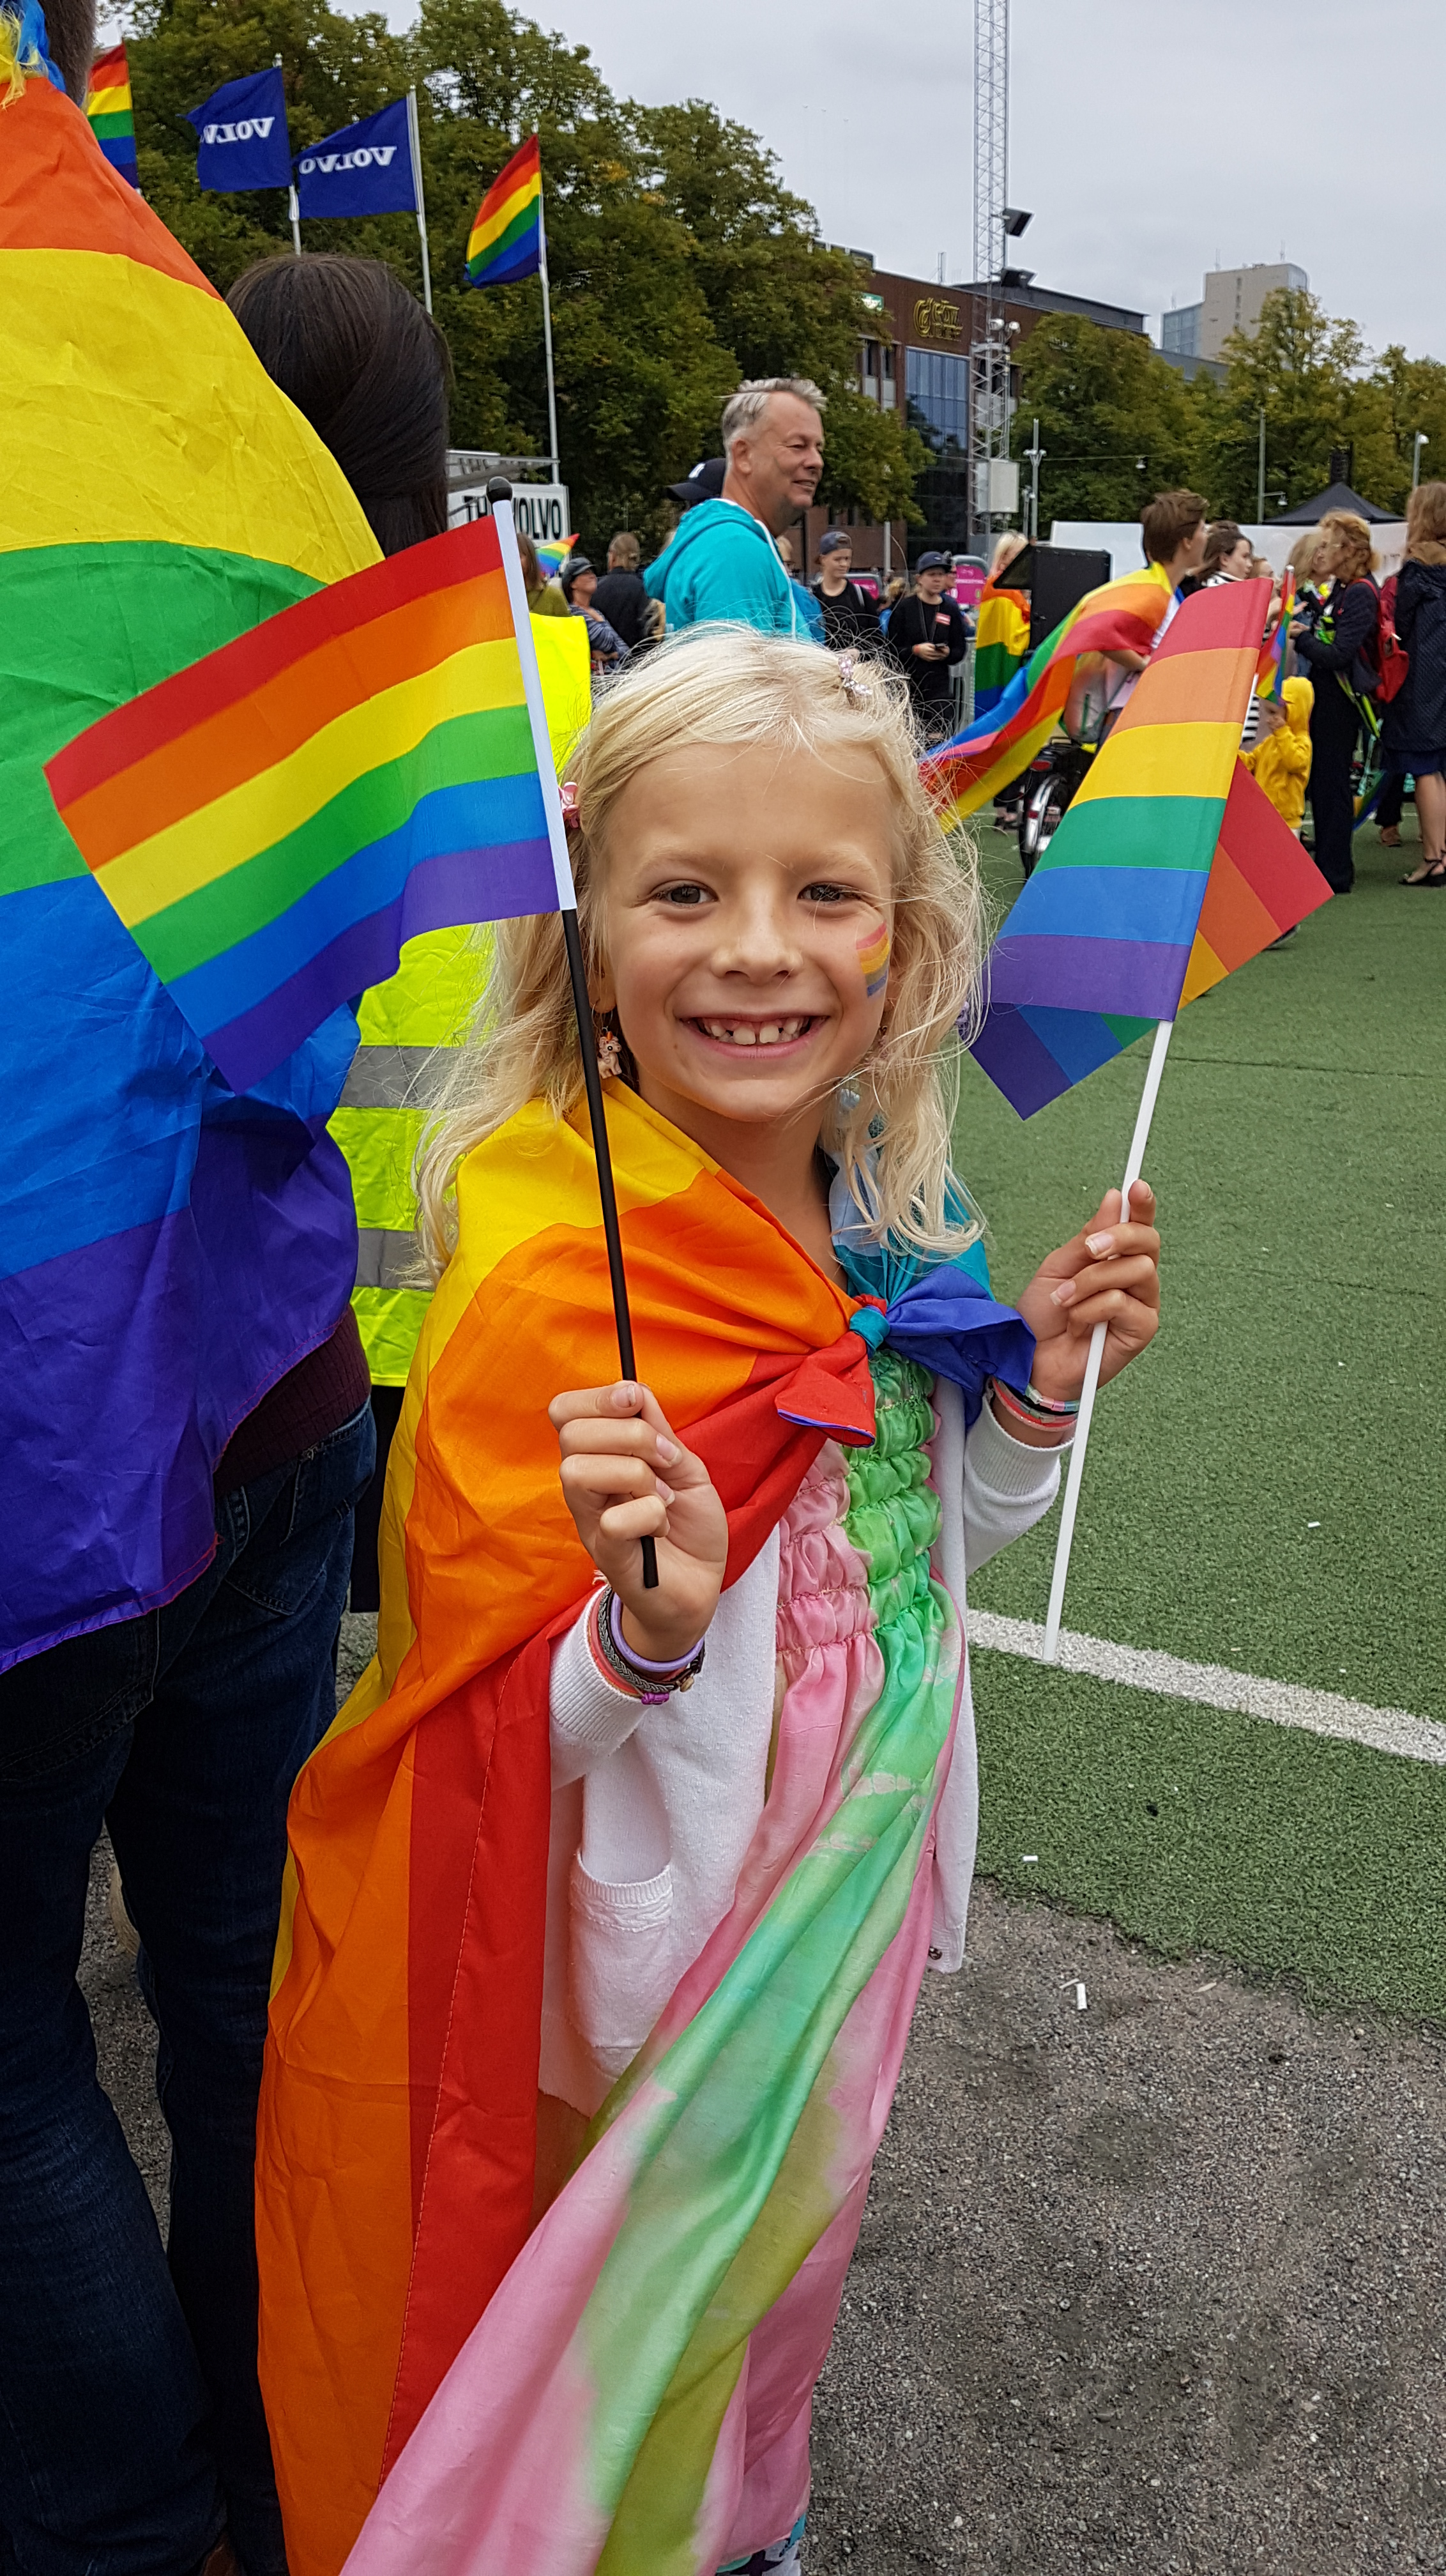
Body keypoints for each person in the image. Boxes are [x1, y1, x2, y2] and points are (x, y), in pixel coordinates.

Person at [255, 627, 1163, 2576]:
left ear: (902, 942)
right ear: (588, 937)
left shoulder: (896, 1216)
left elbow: (915, 1554)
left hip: (853, 1891)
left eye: (823, 892)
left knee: (769, 2299)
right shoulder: (546, 1274)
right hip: (648, 1969)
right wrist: (639, 1637)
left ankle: (753, 2519)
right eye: (684, 892)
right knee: (612, 2348)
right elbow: (474, 1723)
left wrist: (1027, 1395)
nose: (758, 948)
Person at [0, 17, 379, 2576]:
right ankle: (285, 2455)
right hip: (278, 1369)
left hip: (67, 1426)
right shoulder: (204, 432)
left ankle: (137, 2519)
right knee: (243, 1968)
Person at [228, 256, 590, 1614]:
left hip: (249, 1315)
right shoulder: (547, 680)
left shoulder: (175, 686)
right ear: (425, 451)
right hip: (504, 1285)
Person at [643, 378, 825, 636]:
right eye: (798, 446)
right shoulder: (735, 550)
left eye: (819, 448)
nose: (817, 461)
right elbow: (741, 664)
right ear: (743, 455)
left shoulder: (726, 542)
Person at [1291, 509, 1380, 894]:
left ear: (1349, 549)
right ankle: (1329, 865)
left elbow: (1340, 654)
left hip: (1341, 703)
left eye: (1329, 545)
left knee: (1333, 783)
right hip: (1330, 700)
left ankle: (1336, 871)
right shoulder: (1346, 589)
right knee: (1326, 783)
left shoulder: (1359, 592)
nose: (1322, 552)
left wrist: (1301, 638)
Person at [1380, 481, 1446, 886]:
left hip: (1423, 681)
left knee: (1424, 768)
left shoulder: (1417, 571)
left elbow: (1399, 626)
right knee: (1438, 769)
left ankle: (1434, 858)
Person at [888, 551, 971, 743]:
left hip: (939, 689)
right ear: (919, 579)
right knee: (912, 742)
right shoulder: (904, 608)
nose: (937, 579)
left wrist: (947, 653)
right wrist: (915, 651)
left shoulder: (950, 609)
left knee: (937, 743)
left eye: (941, 574)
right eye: (932, 574)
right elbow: (890, 649)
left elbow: (959, 650)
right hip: (909, 688)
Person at [811, 527, 883, 651]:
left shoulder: (861, 596)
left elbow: (877, 639)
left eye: (847, 559)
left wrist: (859, 652)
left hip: (856, 663)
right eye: (837, 559)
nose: (844, 564)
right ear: (823, 560)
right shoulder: (811, 597)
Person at [560, 553, 631, 671]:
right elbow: (606, 642)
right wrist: (599, 619)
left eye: (592, 572)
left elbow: (625, 651)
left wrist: (609, 656)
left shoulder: (595, 612)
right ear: (572, 584)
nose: (592, 576)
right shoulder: (574, 614)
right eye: (585, 573)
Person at [591, 531, 651, 649]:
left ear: (612, 556)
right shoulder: (645, 589)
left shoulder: (596, 589)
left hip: (605, 658)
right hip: (639, 657)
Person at [776, 530, 826, 640]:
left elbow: (819, 641)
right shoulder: (806, 596)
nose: (788, 571)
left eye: (789, 564)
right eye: (783, 564)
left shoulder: (806, 598)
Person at [518, 528, 571, 615]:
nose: (514, 562)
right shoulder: (503, 598)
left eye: (519, 556)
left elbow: (566, 623)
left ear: (531, 559)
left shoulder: (553, 595)